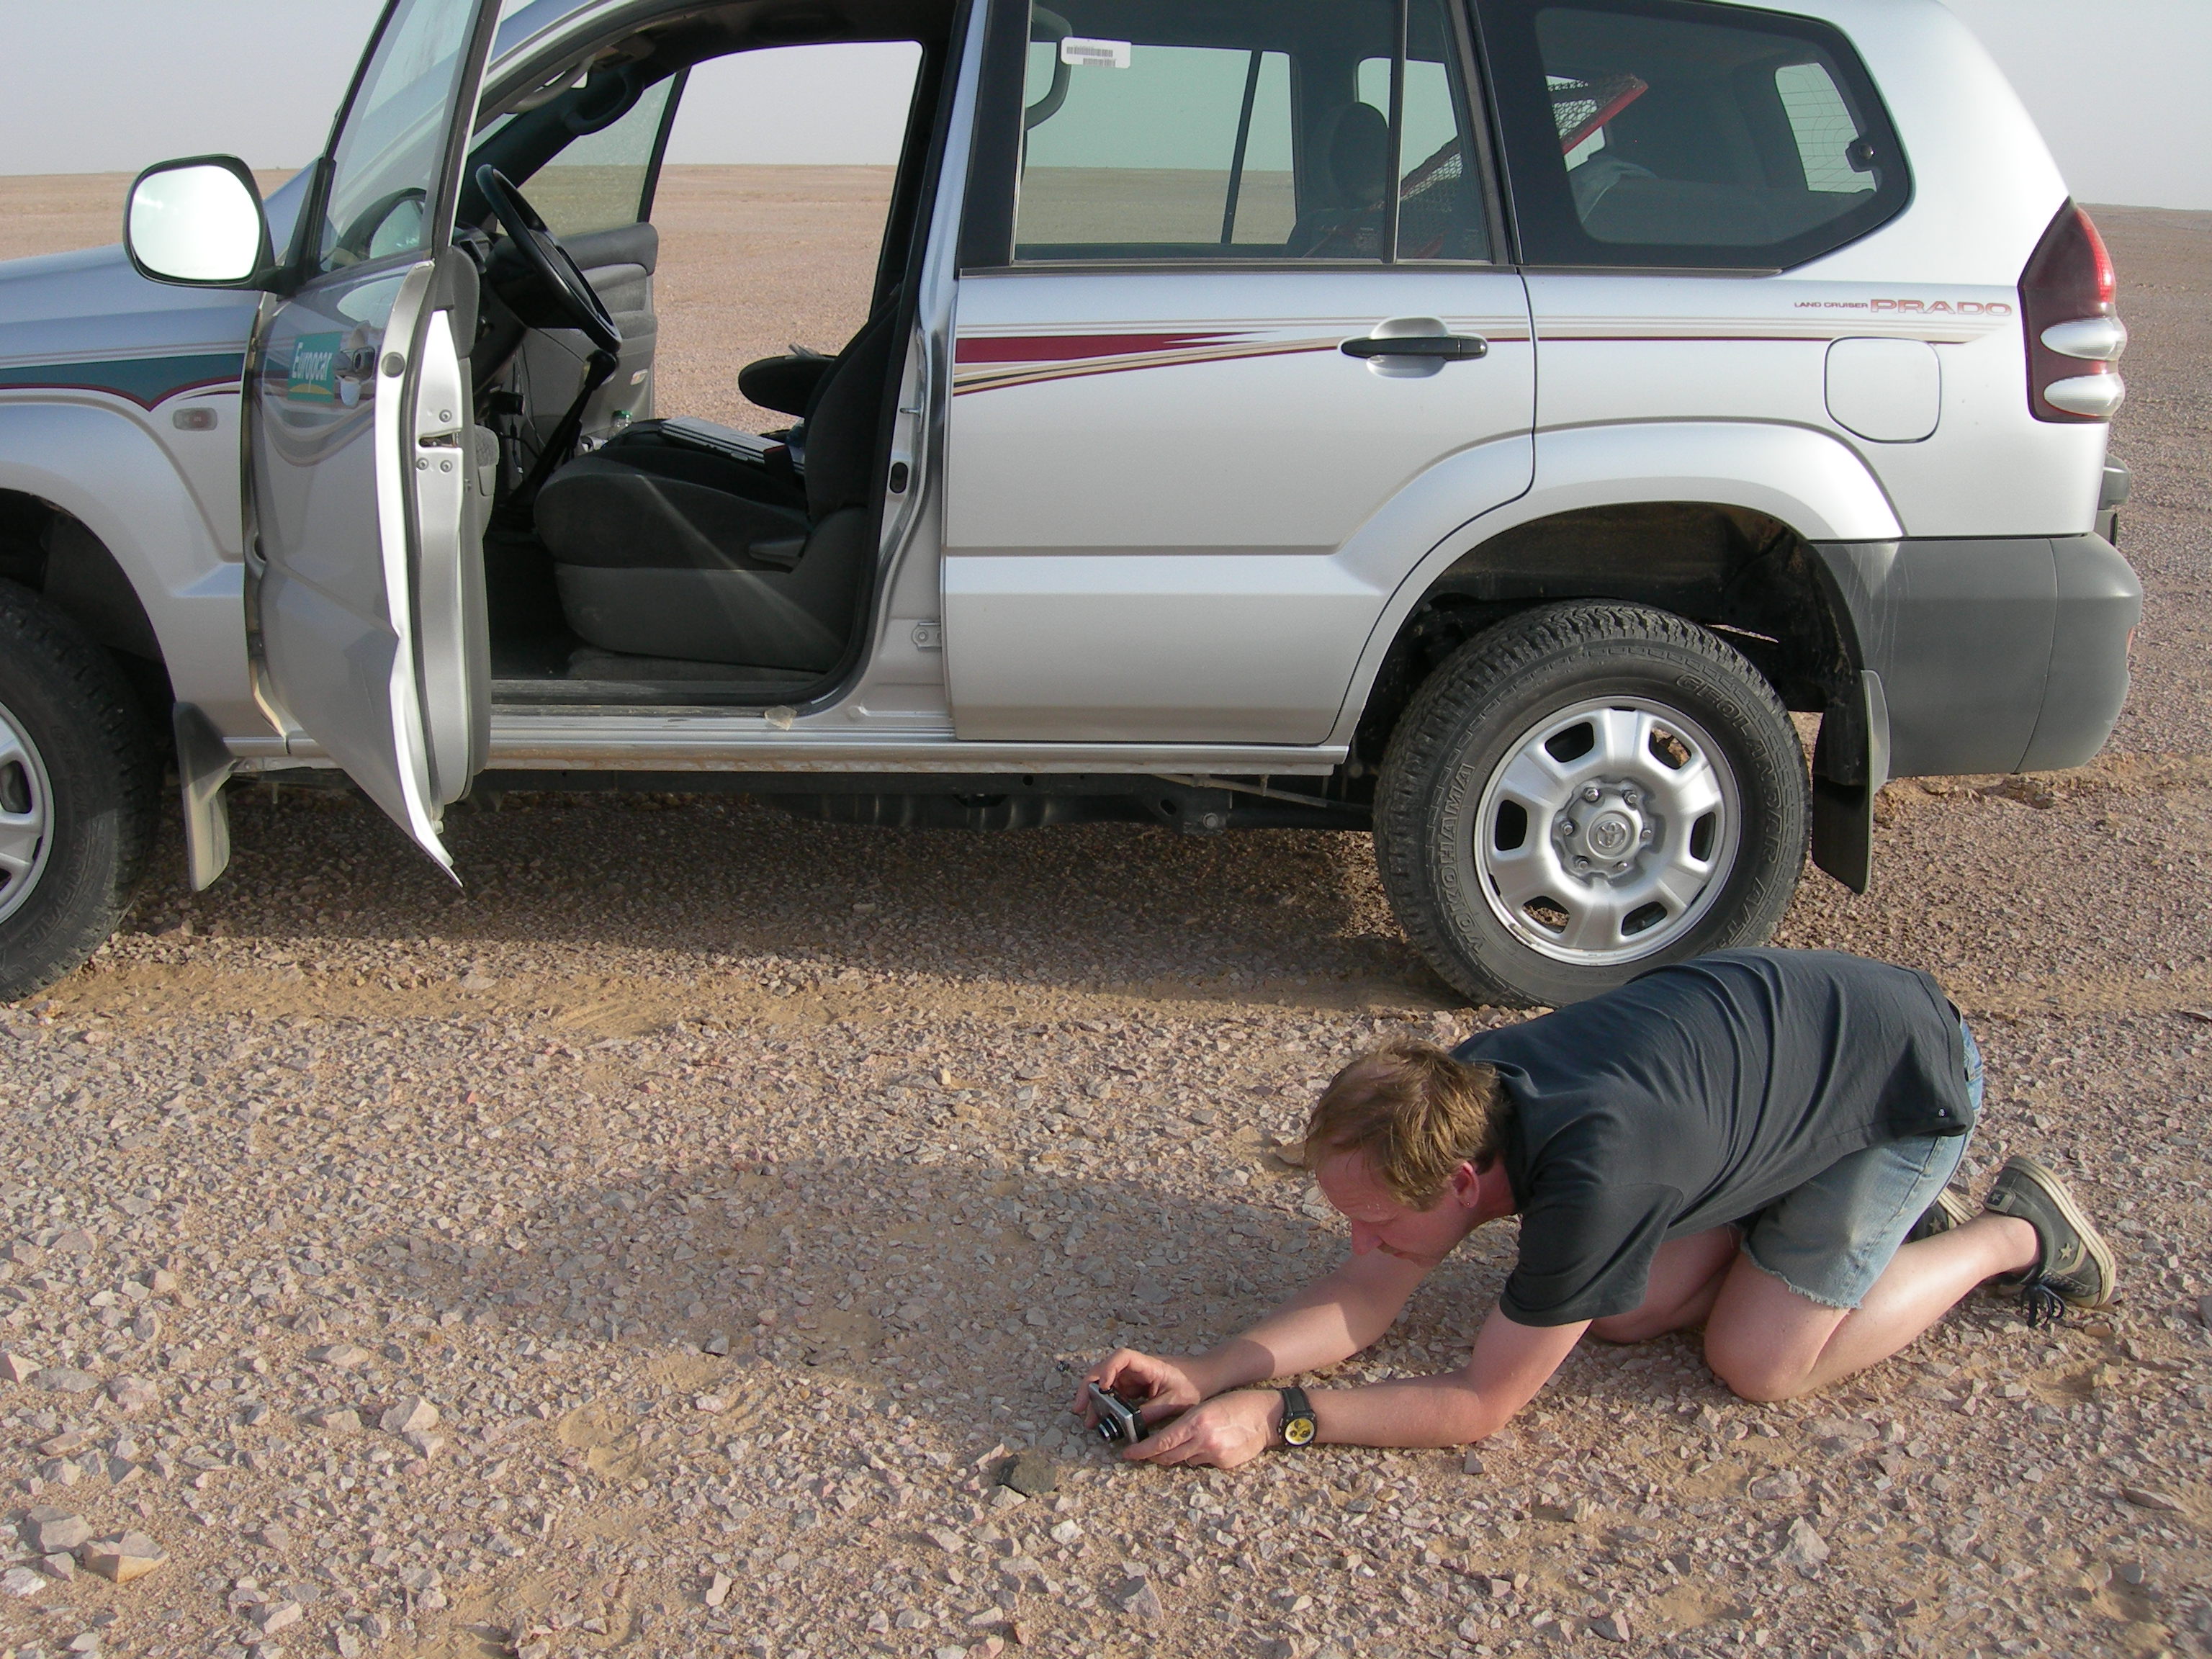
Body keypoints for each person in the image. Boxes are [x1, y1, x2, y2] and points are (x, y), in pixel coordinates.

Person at [1074, 948, 2113, 1469]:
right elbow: (1363, 1297)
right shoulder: (1456, 1094)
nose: (1363, 1245)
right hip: (1781, 1066)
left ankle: (2010, 1232)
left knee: (1760, 1363)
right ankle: (1824, 1232)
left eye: (1381, 1226)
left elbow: (1481, 1406)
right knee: (1616, 1311)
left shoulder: (1594, 1176)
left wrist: (1284, 1419)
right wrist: (1207, 1371)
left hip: (1903, 1081)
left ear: (1463, 1185)